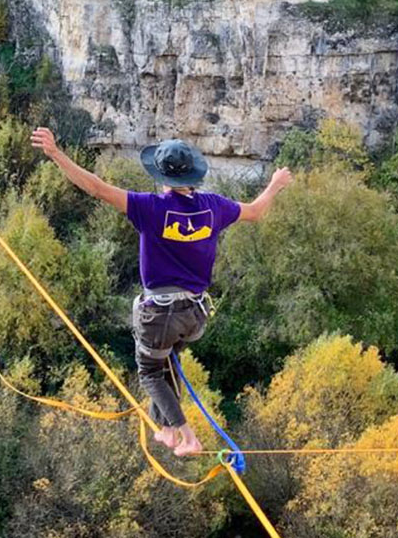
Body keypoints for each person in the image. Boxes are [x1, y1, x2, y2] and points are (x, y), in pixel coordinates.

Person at [30, 128, 293, 457]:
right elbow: (256, 211)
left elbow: (95, 188)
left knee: (150, 371)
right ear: (193, 175)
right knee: (166, 358)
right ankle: (168, 431)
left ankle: (188, 438)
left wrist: (56, 153)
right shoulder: (214, 207)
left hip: (161, 313)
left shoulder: (150, 208)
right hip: (194, 315)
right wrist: (276, 184)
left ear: (160, 175)